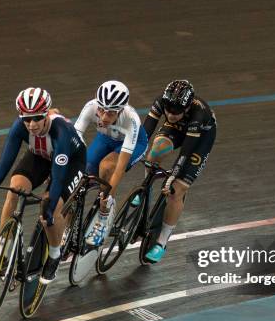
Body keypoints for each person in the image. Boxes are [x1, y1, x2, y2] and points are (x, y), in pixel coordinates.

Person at [0, 87, 86, 284]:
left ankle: (54, 255)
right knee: (14, 189)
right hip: (41, 155)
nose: (31, 124)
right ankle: (3, 247)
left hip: (70, 161)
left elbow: (58, 178)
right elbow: (6, 161)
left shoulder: (62, 132)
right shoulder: (19, 126)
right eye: (26, 119)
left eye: (36, 118)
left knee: (50, 211)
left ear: (46, 115)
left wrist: (50, 202)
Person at [141, 80, 217, 263]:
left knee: (177, 189)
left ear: (187, 106)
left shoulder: (200, 113)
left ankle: (161, 242)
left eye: (176, 111)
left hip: (200, 139)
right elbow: (144, 135)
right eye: (168, 109)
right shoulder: (162, 101)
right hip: (178, 130)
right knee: (156, 150)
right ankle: (146, 190)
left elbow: (185, 153)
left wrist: (173, 175)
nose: (170, 114)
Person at [74, 80, 148, 246]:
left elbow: (120, 168)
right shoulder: (91, 107)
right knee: (80, 175)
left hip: (133, 143)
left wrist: (106, 199)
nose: (104, 116)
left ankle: (104, 216)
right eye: (101, 110)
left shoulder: (131, 120)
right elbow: (74, 139)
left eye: (111, 113)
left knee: (107, 167)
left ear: (120, 110)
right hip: (106, 138)